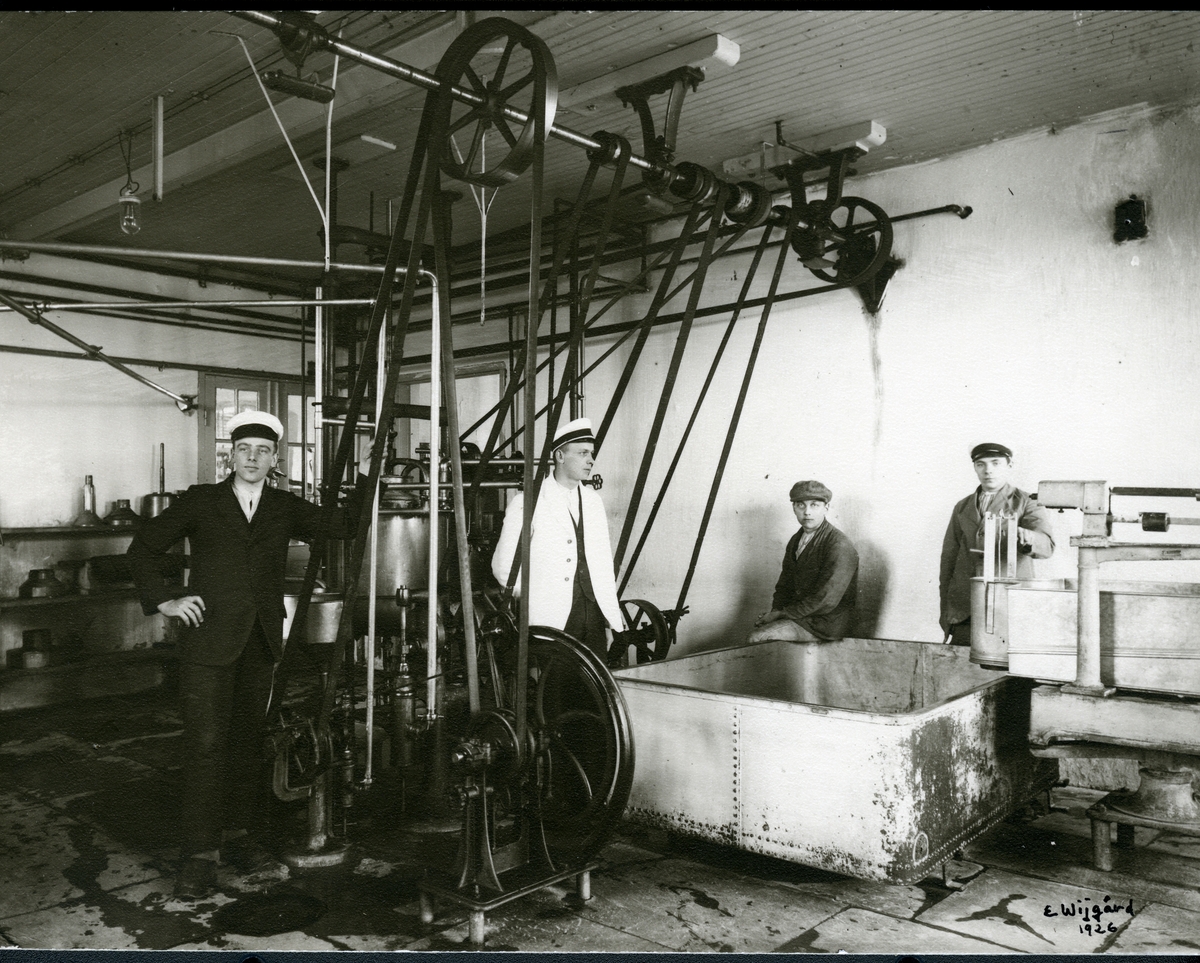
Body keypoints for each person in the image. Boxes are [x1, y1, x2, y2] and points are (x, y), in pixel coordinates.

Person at [127, 410, 359, 898]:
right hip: (208, 639)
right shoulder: (201, 501)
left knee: (247, 744)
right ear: (230, 456)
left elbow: (343, 526)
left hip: (260, 641)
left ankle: (238, 836)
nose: (252, 458)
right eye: (244, 450)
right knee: (205, 744)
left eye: (263, 451)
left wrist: (366, 475)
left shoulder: (284, 505)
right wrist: (165, 600)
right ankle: (199, 856)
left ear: (275, 459)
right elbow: (142, 548)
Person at [490, 417, 623, 662]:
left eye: (591, 453)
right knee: (557, 682)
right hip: (553, 619)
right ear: (560, 456)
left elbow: (603, 564)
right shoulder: (529, 501)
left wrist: (607, 620)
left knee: (594, 683)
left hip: (593, 615)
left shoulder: (593, 502)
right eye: (583, 453)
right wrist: (537, 598)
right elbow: (504, 565)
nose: (591, 460)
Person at [939, 442, 1055, 646]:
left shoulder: (1027, 501)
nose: (988, 470)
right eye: (981, 464)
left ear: (1009, 465)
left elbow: (1047, 546)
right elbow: (948, 560)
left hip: (1009, 608)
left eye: (995, 463)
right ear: (975, 468)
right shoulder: (962, 506)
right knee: (961, 662)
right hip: (965, 610)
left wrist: (1029, 539)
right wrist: (947, 612)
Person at [749, 480, 859, 643]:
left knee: (757, 638)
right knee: (761, 635)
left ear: (826, 508)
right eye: (801, 505)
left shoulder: (839, 544)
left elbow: (826, 600)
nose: (807, 512)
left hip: (824, 625)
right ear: (793, 508)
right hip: (801, 617)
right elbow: (784, 586)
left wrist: (781, 614)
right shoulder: (796, 539)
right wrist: (775, 611)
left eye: (814, 505)